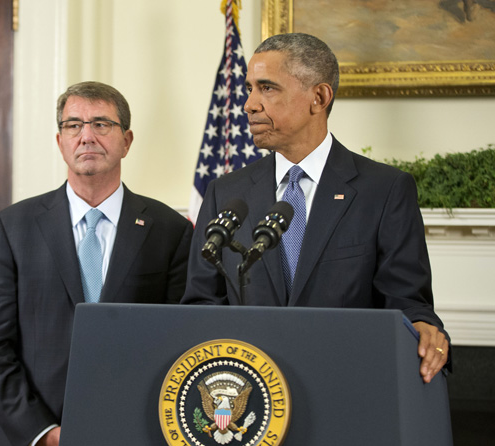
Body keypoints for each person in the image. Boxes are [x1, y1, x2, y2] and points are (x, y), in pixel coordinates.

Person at [182, 33, 450, 383]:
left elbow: (406, 302)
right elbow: (201, 304)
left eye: (267, 88)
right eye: (249, 88)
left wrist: (423, 328)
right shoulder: (225, 193)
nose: (248, 104)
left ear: (319, 97)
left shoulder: (384, 190)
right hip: (250, 397)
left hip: (346, 385)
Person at [0, 81, 193, 446]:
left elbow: (177, 343)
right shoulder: (14, 226)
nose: (86, 136)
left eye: (101, 124)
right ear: (60, 141)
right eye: (73, 125)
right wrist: (43, 433)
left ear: (126, 140)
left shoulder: (170, 230)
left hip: (137, 443)